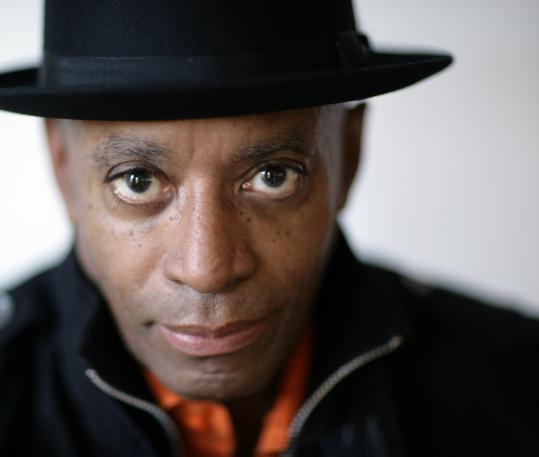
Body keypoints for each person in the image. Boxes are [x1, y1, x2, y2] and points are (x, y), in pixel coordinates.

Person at [0, 1, 537, 456]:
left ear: (349, 154)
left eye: (273, 175)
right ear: (63, 168)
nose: (207, 269)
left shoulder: (515, 385)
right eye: (137, 181)